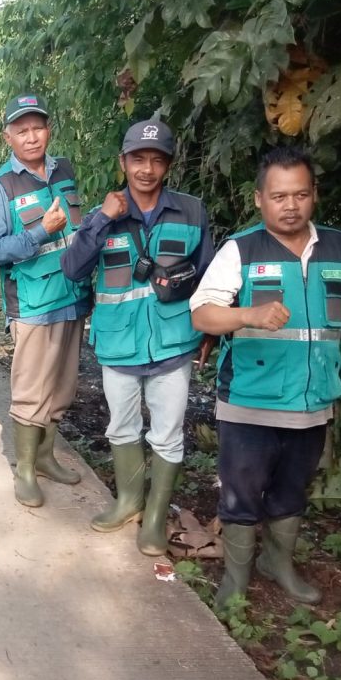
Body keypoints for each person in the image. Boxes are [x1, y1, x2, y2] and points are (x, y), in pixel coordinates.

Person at [190, 146, 341, 609]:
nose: (291, 206)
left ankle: (276, 563)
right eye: (279, 196)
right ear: (259, 199)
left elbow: (338, 319)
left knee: (291, 490)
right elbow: (202, 315)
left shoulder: (339, 248)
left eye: (300, 194)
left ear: (314, 194)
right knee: (241, 494)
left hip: (312, 401)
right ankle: (236, 578)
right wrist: (249, 314)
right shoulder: (240, 249)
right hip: (250, 399)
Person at [62, 118, 214, 555]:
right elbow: (73, 269)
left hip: (173, 341)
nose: (147, 169)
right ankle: (129, 502)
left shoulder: (191, 211)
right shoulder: (103, 214)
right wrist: (101, 221)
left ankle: (154, 519)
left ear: (169, 165)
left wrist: (209, 330)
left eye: (157, 160)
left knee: (167, 433)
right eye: (138, 159)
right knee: (122, 426)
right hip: (119, 343)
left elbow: (208, 276)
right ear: (123, 162)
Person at [0, 94, 92, 508]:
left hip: (73, 296)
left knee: (62, 390)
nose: (31, 137)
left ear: (49, 130)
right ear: (8, 137)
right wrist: (41, 230)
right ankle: (25, 470)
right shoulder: (1, 187)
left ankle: (45, 457)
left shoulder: (64, 170)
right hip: (33, 304)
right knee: (31, 393)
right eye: (21, 130)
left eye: (37, 128)